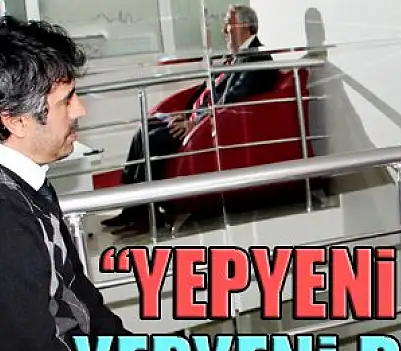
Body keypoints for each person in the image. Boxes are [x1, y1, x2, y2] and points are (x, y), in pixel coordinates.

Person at [0, 16, 204, 351]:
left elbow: (81, 299)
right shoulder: (7, 220)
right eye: (66, 100)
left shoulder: (30, 183)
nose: (81, 109)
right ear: (15, 120)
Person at [103, 4, 280, 231]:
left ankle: (148, 214)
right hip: (199, 120)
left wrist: (195, 122)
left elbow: (232, 101)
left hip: (212, 129)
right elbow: (208, 91)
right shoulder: (236, 58)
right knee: (144, 131)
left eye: (228, 23)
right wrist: (187, 113)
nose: (224, 30)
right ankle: (131, 210)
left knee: (153, 140)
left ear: (245, 26)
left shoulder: (257, 59)